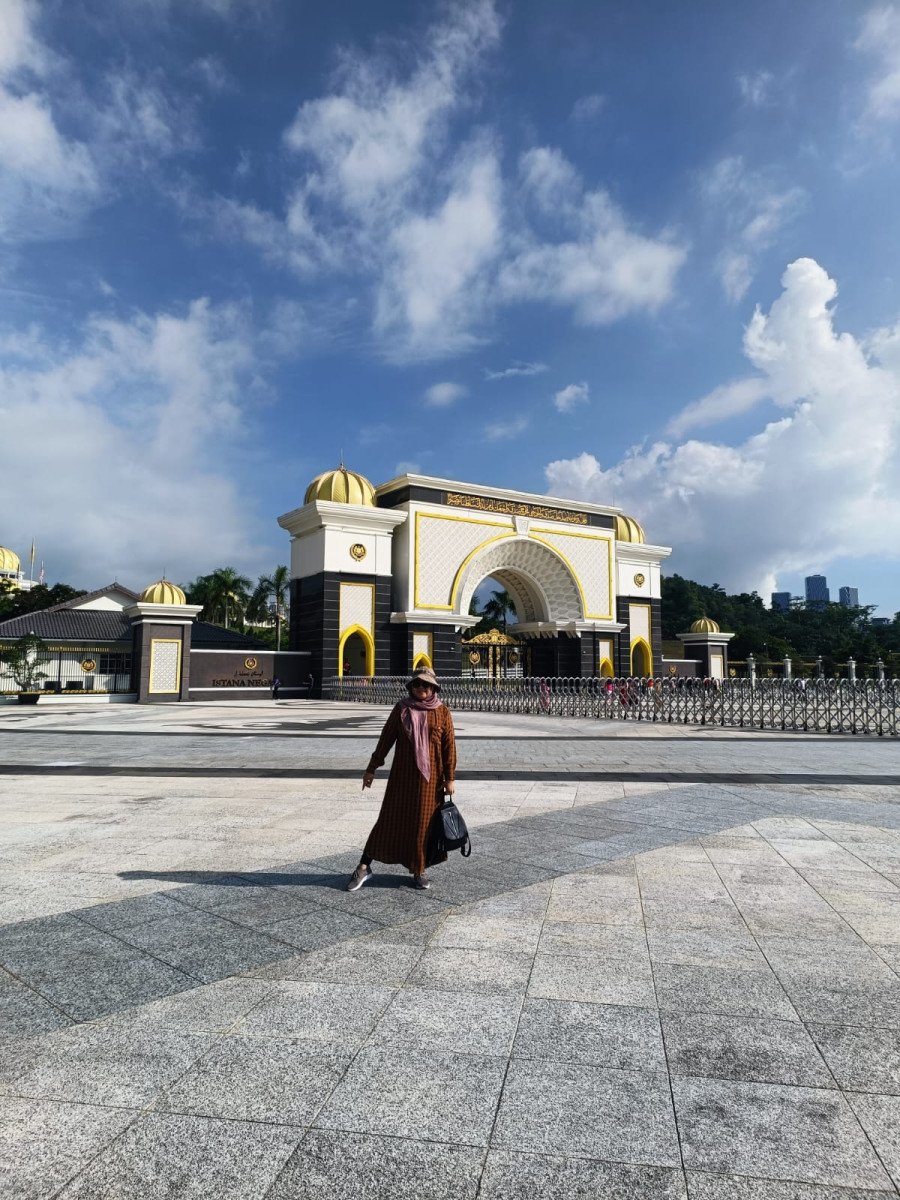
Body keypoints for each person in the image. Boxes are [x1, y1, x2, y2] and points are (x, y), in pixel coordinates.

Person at [346, 666, 456, 892]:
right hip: (402, 778)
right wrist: (371, 769)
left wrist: (450, 778)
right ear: (410, 686)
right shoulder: (402, 709)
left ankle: (419, 870)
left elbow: (449, 747)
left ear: (434, 688)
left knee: (423, 824)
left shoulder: (442, 711)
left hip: (430, 781)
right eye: (417, 683)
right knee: (388, 819)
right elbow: (386, 739)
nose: (421, 688)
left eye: (426, 684)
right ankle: (364, 866)